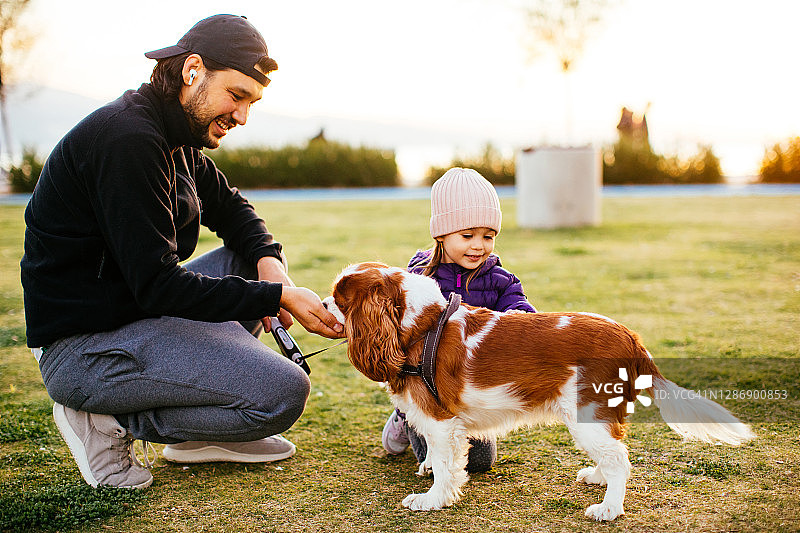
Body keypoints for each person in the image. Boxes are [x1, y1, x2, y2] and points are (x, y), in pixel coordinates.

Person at [20, 14, 343, 490]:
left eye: (251, 102)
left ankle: (195, 437)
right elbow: (159, 286)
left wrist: (273, 270)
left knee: (244, 258)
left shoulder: (176, 137)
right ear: (193, 70)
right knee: (280, 394)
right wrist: (273, 300)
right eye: (236, 96)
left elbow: (234, 211)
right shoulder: (128, 139)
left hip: (135, 314)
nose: (242, 117)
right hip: (85, 347)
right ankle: (103, 421)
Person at [381, 167, 536, 472]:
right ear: (441, 233)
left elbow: (518, 307)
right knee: (436, 453)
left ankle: (464, 428)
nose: (478, 245)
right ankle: (405, 415)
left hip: (471, 390)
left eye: (488, 236)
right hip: (426, 386)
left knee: (478, 462)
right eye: (467, 236)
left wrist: (519, 316)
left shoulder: (499, 280)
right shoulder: (418, 277)